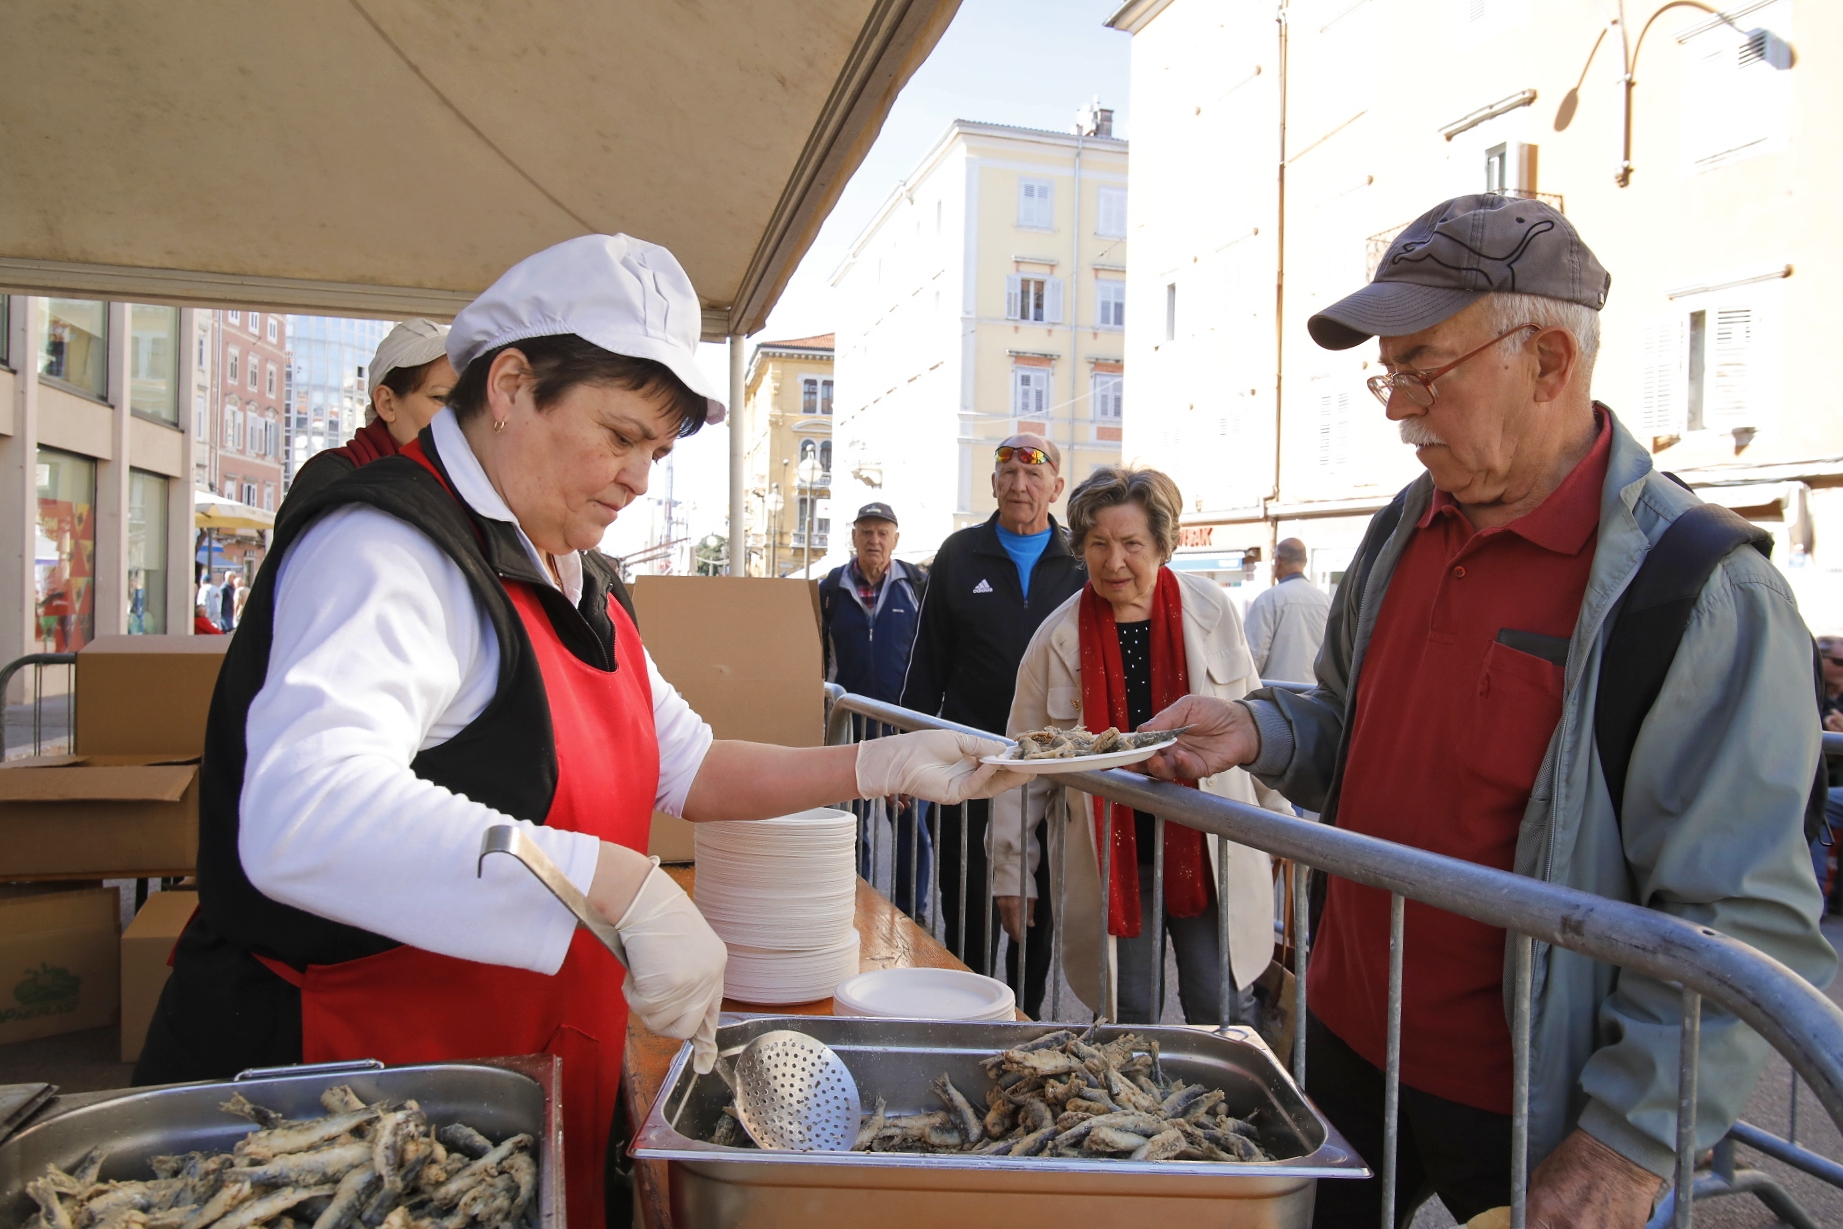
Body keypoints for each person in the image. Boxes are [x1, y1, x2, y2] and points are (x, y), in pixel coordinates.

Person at [134, 234, 1023, 1229]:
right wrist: (619, 887)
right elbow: (308, 811)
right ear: (510, 385)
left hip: (513, 1088)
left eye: (657, 450)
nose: (640, 476)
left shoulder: (577, 576)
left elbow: (686, 763)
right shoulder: (386, 547)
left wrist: (880, 761)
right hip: (350, 1098)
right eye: (619, 434)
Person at [1138, 195, 1835, 1229]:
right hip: (1342, 1043)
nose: (1392, 406)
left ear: (1549, 360)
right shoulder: (1405, 523)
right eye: (1388, 371)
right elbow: (1351, 724)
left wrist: (1624, 1146)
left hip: (1539, 1105)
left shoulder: (1703, 590)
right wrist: (1262, 730)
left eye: (1421, 368)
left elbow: (1744, 921)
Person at [993, 466, 1287, 1025]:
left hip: (1207, 847)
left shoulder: (1211, 611)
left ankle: (1223, 1110)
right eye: (1098, 544)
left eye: (1131, 544)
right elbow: (1020, 766)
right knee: (1129, 1013)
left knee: (1219, 1004)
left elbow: (1253, 723)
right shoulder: (1056, 639)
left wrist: (1282, 828)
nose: (1114, 561)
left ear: (1162, 545)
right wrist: (1012, 873)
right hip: (1110, 861)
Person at [900, 434, 1086, 1014]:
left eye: (1034, 475)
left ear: (1057, 487)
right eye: (1006, 472)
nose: (1018, 484)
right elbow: (927, 659)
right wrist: (906, 757)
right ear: (992, 485)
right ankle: (966, 1011)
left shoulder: (1081, 559)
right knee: (969, 897)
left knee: (1036, 910)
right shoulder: (960, 555)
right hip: (970, 761)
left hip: (1052, 767)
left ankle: (1021, 1019)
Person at [820, 503, 931, 915]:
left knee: (910, 826)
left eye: (883, 532)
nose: (874, 540)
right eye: (866, 531)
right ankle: (856, 905)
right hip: (850, 726)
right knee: (852, 825)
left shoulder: (917, 585)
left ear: (896, 539)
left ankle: (910, 914)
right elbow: (818, 657)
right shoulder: (830, 589)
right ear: (854, 536)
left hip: (903, 726)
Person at [277, 319, 458, 527]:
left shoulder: (462, 487)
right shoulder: (332, 480)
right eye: (441, 398)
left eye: (468, 401)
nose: (460, 414)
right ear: (387, 404)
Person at [1242, 537, 1330, 685]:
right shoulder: (1327, 602)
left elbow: (1253, 657)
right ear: (1305, 561)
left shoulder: (1269, 600)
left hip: (1276, 696)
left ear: (1278, 560)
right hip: (1316, 696)